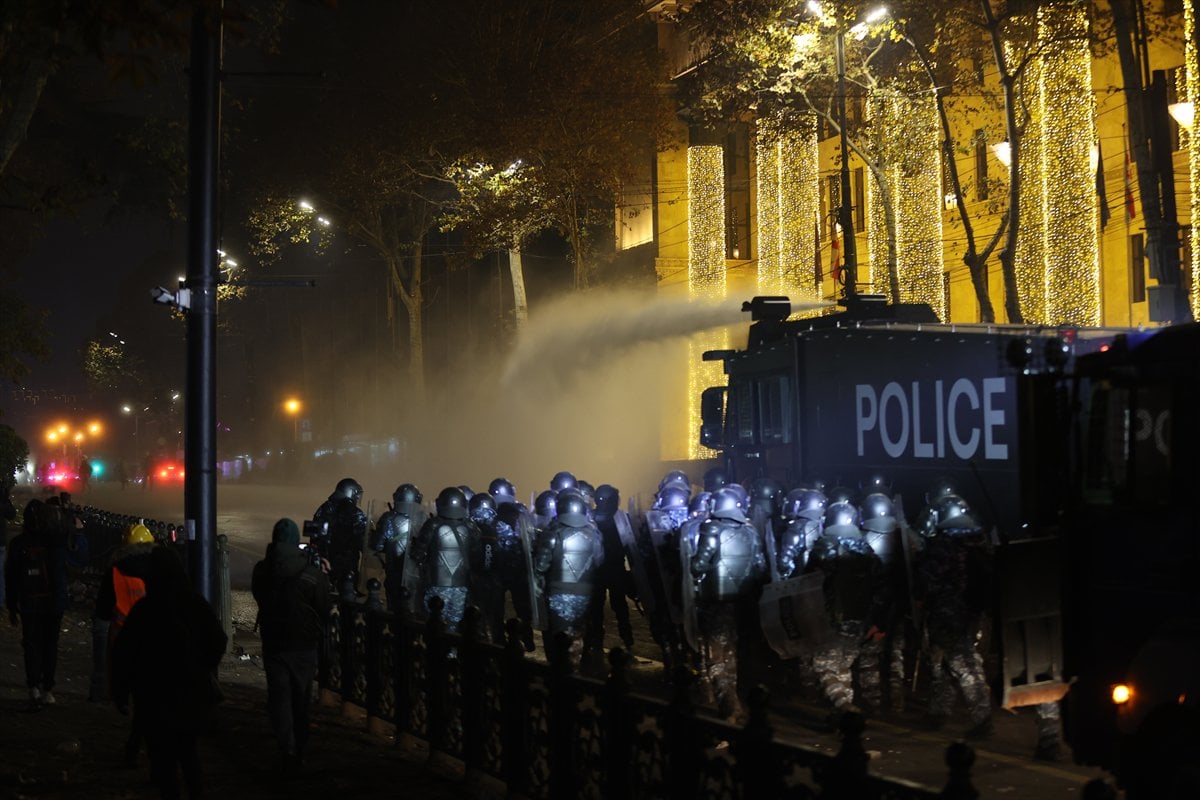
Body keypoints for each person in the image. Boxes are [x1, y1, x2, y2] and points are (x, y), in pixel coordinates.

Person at [112, 546, 226, 800]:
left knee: (163, 760)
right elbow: (218, 640)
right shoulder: (195, 604)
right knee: (188, 753)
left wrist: (120, 691)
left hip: (154, 696)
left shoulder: (145, 610)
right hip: (189, 693)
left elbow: (124, 653)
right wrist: (203, 666)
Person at [252, 518, 331, 772]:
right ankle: (301, 748)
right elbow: (323, 607)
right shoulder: (311, 574)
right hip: (303, 645)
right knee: (300, 699)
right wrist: (322, 575)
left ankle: (286, 748)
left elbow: (259, 596)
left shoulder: (262, 570)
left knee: (279, 697)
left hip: (274, 642)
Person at [915, 493, 995, 738]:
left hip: (948, 611)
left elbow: (928, 580)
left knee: (963, 663)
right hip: (975, 611)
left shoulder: (944, 543)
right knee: (945, 663)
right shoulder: (979, 539)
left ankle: (983, 717)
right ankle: (938, 712)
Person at [689, 486, 767, 722]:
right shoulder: (751, 531)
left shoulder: (712, 529)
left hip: (716, 603)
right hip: (743, 604)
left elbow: (698, 565)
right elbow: (760, 568)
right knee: (732, 654)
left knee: (716, 659)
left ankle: (730, 706)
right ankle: (734, 699)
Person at [804, 500, 888, 718]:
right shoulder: (867, 550)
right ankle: (843, 719)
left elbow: (806, 581)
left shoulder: (824, 548)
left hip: (830, 619)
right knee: (843, 667)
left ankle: (843, 706)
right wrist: (877, 620)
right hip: (860, 619)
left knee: (823, 666)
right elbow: (881, 587)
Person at [5, 499, 69, 707]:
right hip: (53, 601)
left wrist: (11, 605)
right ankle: (47, 688)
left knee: (31, 643)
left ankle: (33, 686)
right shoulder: (55, 542)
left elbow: (11, 576)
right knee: (50, 644)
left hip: (29, 601)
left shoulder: (19, 544)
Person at [532, 491, 603, 669]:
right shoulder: (594, 533)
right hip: (585, 593)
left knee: (559, 636)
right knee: (578, 636)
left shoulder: (553, 532)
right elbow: (599, 560)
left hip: (558, 593)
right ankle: (575, 670)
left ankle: (560, 672)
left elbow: (541, 565)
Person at [408, 486, 476, 632]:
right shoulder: (471, 526)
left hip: (436, 583)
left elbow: (417, 554)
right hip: (461, 585)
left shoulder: (433, 524)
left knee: (434, 621)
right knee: (454, 624)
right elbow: (478, 554)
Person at [588, 484, 635, 650]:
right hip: (602, 569)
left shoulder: (620, 518)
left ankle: (625, 638)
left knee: (617, 606)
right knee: (600, 607)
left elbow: (630, 543)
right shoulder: (590, 518)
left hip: (613, 569)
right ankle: (600, 639)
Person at [311, 477, 368, 600]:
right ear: (350, 492)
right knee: (348, 599)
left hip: (323, 563)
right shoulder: (356, 513)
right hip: (347, 566)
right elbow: (363, 540)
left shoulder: (324, 508)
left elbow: (314, 534)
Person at [371, 483, 425, 613]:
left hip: (393, 570)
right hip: (415, 574)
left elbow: (377, 545)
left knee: (393, 609)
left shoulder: (389, 518)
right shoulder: (423, 519)